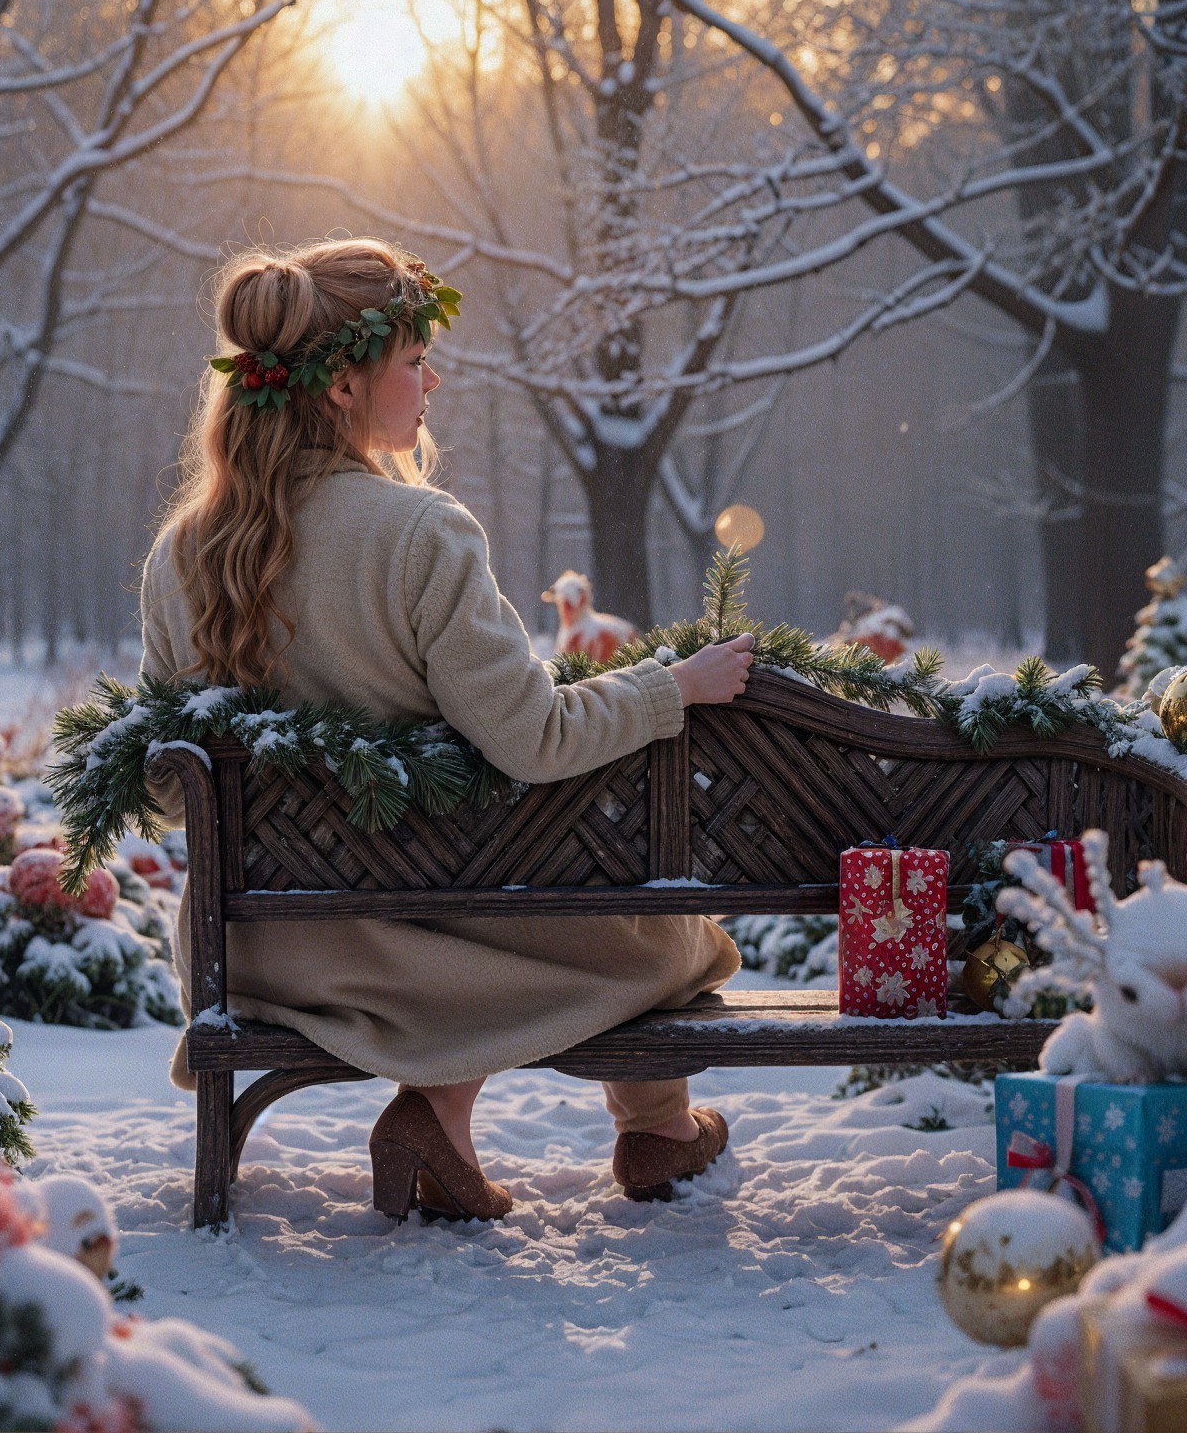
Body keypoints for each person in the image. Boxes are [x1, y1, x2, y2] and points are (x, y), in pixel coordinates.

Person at [140, 237, 757, 1222]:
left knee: (514, 926)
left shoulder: (183, 552)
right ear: (344, 386)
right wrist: (669, 686)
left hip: (257, 952)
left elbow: (164, 783)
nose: (434, 378)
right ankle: (658, 1132)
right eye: (413, 361)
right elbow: (532, 738)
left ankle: (440, 1118)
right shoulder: (421, 534)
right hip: (419, 937)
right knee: (669, 937)